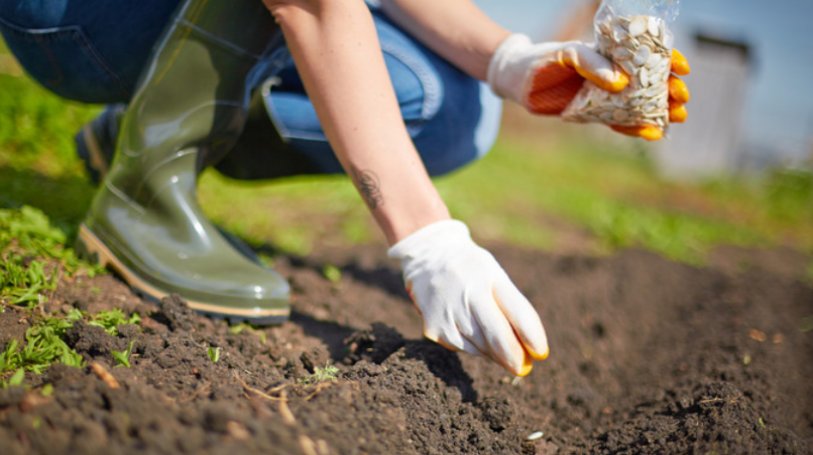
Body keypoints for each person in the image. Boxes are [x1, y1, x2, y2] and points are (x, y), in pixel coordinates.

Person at [0, 0, 690, 376]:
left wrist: (511, 62)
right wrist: (427, 240)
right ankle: (144, 188)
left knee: (458, 111)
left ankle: (140, 126)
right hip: (73, 16)